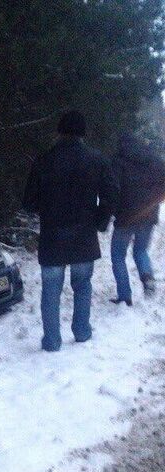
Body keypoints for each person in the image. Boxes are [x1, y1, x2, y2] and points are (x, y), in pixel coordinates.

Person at [23, 110, 119, 352]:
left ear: (60, 131)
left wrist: (46, 208)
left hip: (52, 235)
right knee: (83, 284)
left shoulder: (44, 160)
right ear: (83, 133)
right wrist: (99, 221)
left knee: (51, 290)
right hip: (83, 234)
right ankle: (82, 332)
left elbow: (29, 202)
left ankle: (52, 342)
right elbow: (111, 195)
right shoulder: (97, 159)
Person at [110, 133, 165, 305]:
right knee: (141, 251)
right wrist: (155, 201)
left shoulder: (118, 161)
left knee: (118, 254)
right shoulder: (154, 159)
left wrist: (113, 209)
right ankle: (147, 277)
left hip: (125, 216)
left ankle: (125, 296)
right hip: (148, 215)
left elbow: (112, 188)